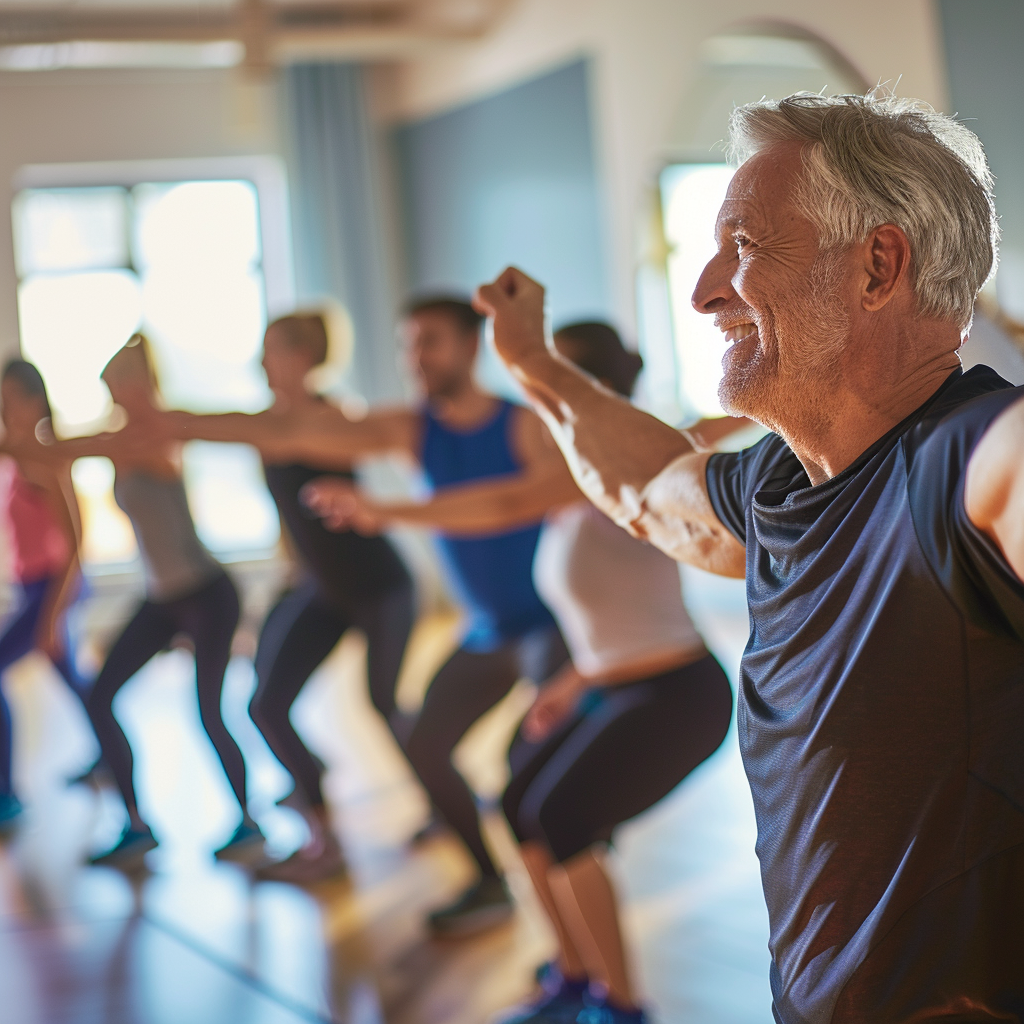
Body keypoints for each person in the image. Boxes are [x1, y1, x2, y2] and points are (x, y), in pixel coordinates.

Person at [473, 93, 1024, 1023]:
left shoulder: (966, 459)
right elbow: (646, 487)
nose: (703, 291)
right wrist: (535, 366)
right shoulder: (778, 483)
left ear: (878, 266)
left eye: (744, 245)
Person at [305, 321, 736, 1024]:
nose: (529, 397)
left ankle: (622, 1007)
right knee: (515, 803)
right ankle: (572, 978)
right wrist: (571, 684)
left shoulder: (621, 464)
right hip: (608, 683)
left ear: (584, 390)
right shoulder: (573, 469)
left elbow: (502, 504)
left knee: (563, 817)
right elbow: (611, 620)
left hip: (677, 694)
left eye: (543, 379)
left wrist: (385, 509)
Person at [174, 296, 571, 934]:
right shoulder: (413, 428)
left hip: (552, 626)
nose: (415, 358)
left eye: (430, 342)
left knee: (536, 776)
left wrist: (383, 511)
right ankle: (490, 883)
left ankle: (574, 919)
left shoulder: (523, 425)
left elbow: (510, 505)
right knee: (425, 746)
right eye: (408, 344)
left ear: (471, 346)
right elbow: (284, 433)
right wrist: (163, 422)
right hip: (487, 632)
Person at [153, 312, 416, 883]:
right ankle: (324, 835)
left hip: (380, 586)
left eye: (273, 349)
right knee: (267, 705)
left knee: (384, 703)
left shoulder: (332, 419)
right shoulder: (269, 425)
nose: (262, 360)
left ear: (303, 357)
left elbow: (239, 431)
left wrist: (169, 421)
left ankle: (442, 793)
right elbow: (294, 518)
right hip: (325, 590)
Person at [41, 335, 263, 870]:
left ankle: (249, 822)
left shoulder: (157, 438)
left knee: (208, 711)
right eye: (113, 384)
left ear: (143, 384)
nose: (117, 392)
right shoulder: (120, 439)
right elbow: (68, 450)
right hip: (162, 599)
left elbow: (73, 449)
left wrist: (38, 444)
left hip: (206, 594)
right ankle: (137, 826)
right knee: (100, 697)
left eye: (124, 382)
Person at [0, 360, 91, 829]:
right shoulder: (17, 457)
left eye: (11, 397)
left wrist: (53, 613)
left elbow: (75, 545)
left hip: (52, 587)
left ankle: (5, 792)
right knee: (74, 679)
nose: (4, 407)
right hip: (32, 587)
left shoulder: (44, 458)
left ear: (35, 400)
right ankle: (109, 752)